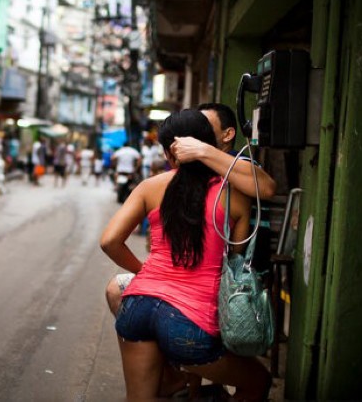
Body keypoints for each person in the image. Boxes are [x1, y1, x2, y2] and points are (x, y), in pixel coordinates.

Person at [100, 109, 271, 400]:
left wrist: (145, 273)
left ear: (169, 153)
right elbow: (234, 257)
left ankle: (173, 383)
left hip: (138, 306)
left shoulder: (150, 187)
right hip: (190, 322)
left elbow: (109, 241)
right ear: (209, 144)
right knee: (258, 381)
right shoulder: (234, 194)